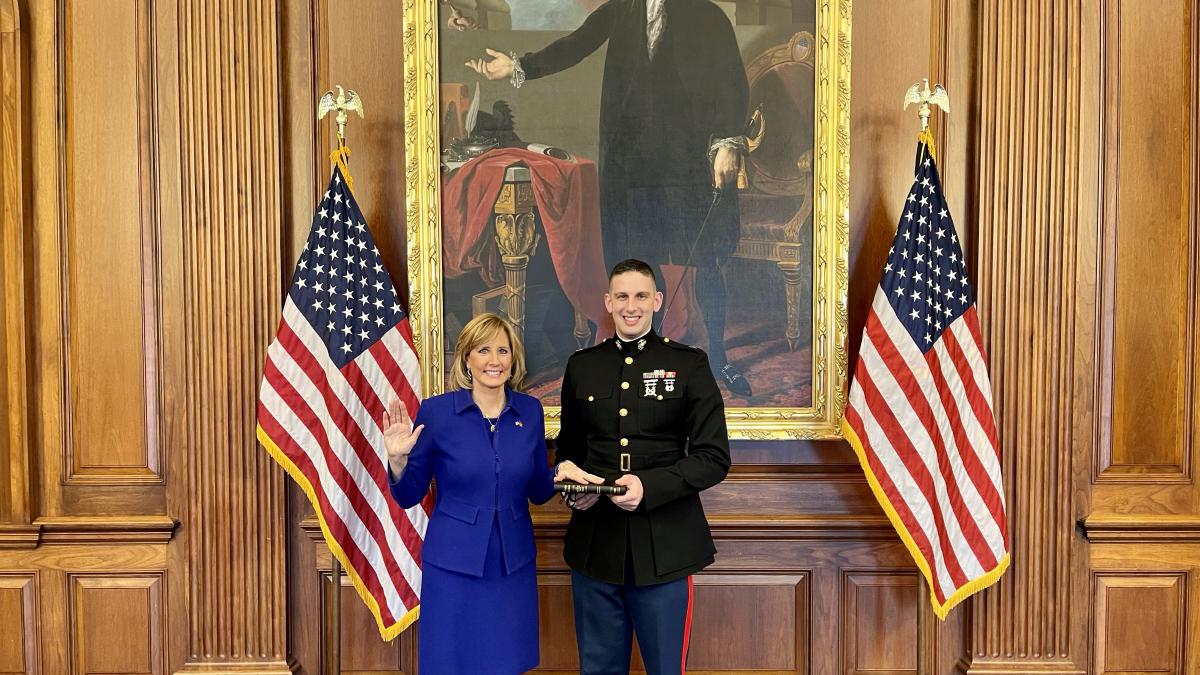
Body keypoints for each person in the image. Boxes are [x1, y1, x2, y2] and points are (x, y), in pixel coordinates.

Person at [466, 0, 754, 396]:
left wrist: (727, 141)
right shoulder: (622, 8)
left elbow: (732, 80)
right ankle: (651, 357)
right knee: (644, 262)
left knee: (705, 260)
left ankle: (720, 357)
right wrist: (519, 66)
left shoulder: (706, 14)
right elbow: (577, 43)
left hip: (690, 163)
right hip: (634, 168)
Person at [383, 312, 599, 675]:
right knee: (452, 661)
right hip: (453, 563)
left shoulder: (528, 411)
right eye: (484, 350)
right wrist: (397, 460)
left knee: (506, 661)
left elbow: (535, 489)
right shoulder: (437, 413)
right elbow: (408, 495)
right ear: (467, 358)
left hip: (511, 562)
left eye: (503, 351)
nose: (494, 361)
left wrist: (559, 472)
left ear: (513, 359)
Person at [552, 259, 731, 675]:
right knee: (597, 669)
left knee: (666, 669)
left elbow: (713, 458)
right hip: (595, 546)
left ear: (657, 301)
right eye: (622, 296)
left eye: (640, 296)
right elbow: (569, 449)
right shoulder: (583, 366)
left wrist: (648, 486)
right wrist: (572, 488)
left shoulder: (689, 364)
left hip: (667, 545)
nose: (631, 306)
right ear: (608, 302)